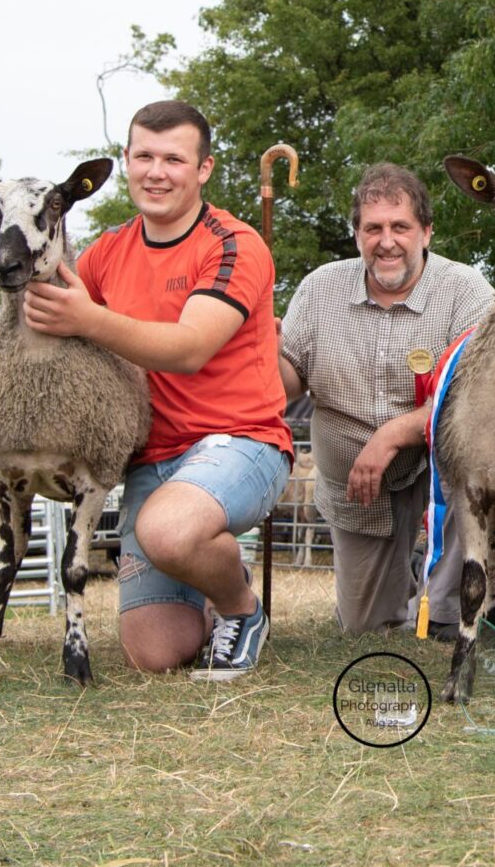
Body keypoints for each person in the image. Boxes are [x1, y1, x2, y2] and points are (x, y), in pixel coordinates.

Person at [25, 100, 294, 681]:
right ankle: (207, 566)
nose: (156, 171)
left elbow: (191, 347)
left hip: (242, 442)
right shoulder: (106, 252)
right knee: (155, 653)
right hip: (153, 456)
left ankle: (240, 609)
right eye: (143, 155)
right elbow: (61, 330)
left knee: (167, 531)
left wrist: (87, 319)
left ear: (203, 170)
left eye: (174, 158)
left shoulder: (235, 244)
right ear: (125, 161)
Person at [278, 163, 493, 635]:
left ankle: (445, 606)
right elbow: (287, 381)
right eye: (373, 227)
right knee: (364, 627)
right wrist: (257, 345)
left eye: (401, 226)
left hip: (441, 464)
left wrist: (393, 434)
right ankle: (408, 569)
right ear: (357, 235)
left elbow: (475, 397)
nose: (387, 240)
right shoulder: (317, 289)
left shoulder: (467, 292)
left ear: (427, 232)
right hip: (357, 483)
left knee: (472, 451)